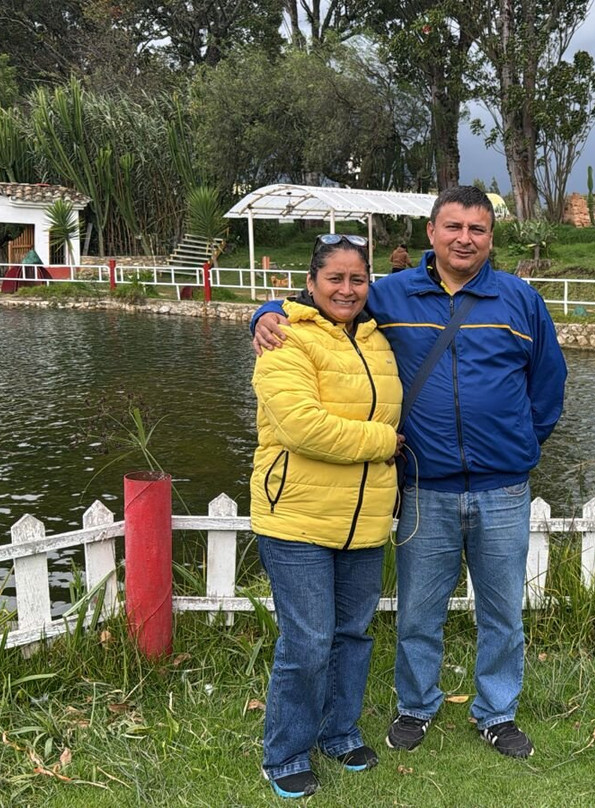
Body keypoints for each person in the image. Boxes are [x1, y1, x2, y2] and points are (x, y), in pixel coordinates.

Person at [252, 186, 567, 761]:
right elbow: (323, 308)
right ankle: (416, 705)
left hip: (503, 489)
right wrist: (266, 313)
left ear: (491, 236)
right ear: (432, 232)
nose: (464, 238)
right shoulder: (390, 295)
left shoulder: (521, 300)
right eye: (453, 227)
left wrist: (521, 443)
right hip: (426, 489)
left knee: (502, 611)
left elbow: (548, 387)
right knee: (420, 610)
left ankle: (496, 711)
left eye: (477, 229)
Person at [251, 233, 404, 799]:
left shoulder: (377, 338)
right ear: (311, 283)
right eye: (334, 278)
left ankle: (338, 730)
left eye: (357, 278)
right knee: (308, 641)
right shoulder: (285, 338)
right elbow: (300, 425)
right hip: (297, 518)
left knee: (352, 634)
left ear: (370, 284)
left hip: (364, 520)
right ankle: (286, 750)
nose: (346, 288)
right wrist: (384, 439)